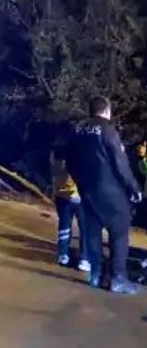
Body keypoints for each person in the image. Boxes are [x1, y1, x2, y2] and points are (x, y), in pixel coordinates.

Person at [67, 95, 143, 294]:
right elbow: (119, 162)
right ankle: (118, 278)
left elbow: (69, 160)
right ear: (107, 110)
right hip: (110, 190)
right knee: (119, 233)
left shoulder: (78, 130)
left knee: (93, 233)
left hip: (87, 190)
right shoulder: (108, 130)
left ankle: (96, 275)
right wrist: (133, 188)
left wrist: (80, 182)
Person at [50, 137, 91, 272]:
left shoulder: (55, 157)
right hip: (78, 196)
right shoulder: (77, 156)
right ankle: (84, 258)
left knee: (64, 225)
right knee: (85, 228)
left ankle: (63, 254)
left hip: (61, 195)